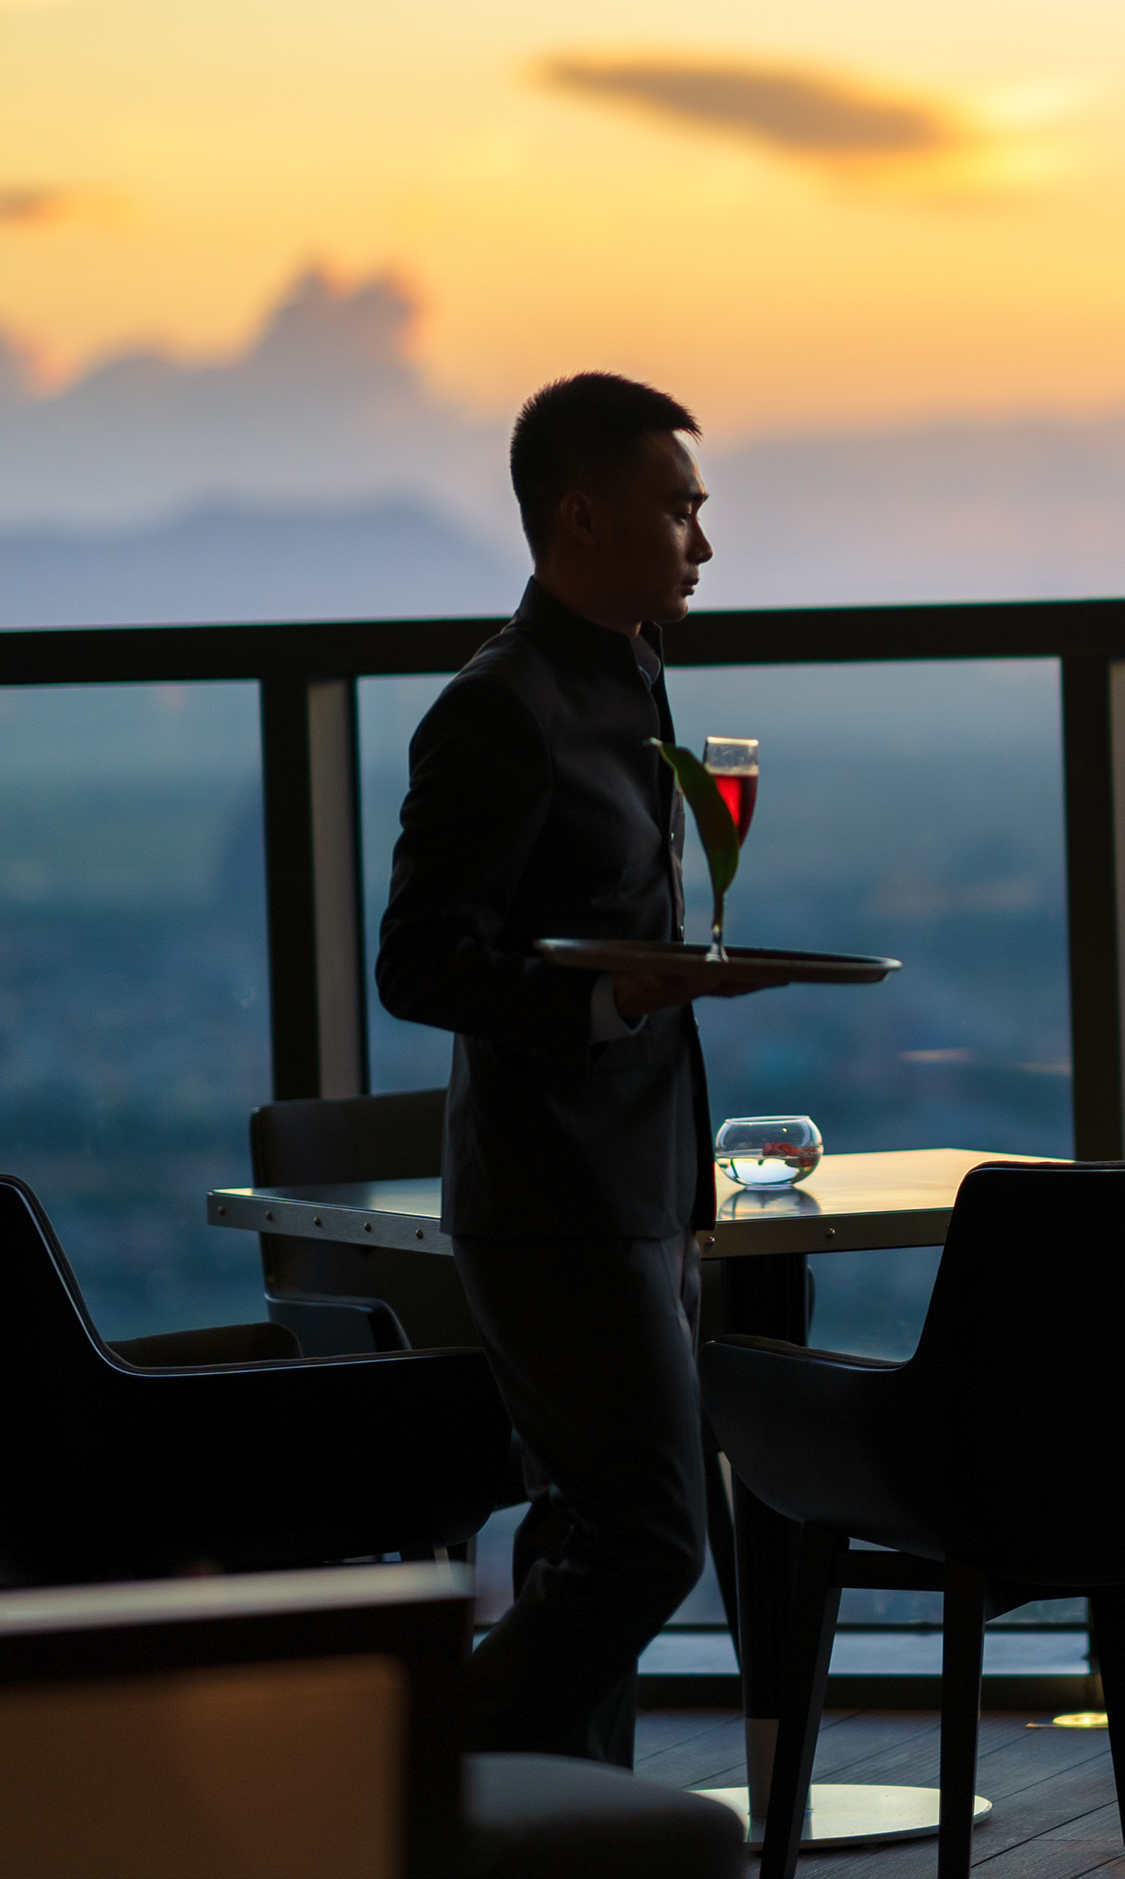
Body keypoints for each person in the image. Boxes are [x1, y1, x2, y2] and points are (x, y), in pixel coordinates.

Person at [376, 371, 764, 1764]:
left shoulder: (635, 677)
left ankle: (563, 1833)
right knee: (657, 1531)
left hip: (646, 1175)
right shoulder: (501, 708)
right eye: (680, 512)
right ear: (583, 516)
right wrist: (605, 1001)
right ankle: (424, 1789)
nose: (703, 545)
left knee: (590, 1525)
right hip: (552, 1198)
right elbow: (418, 963)